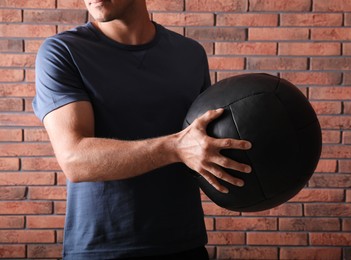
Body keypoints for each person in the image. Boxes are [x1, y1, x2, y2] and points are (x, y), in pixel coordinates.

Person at [33, 0, 252, 259]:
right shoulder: (62, 51)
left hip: (185, 245)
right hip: (102, 249)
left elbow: (206, 142)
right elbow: (74, 158)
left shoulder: (190, 54)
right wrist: (175, 148)